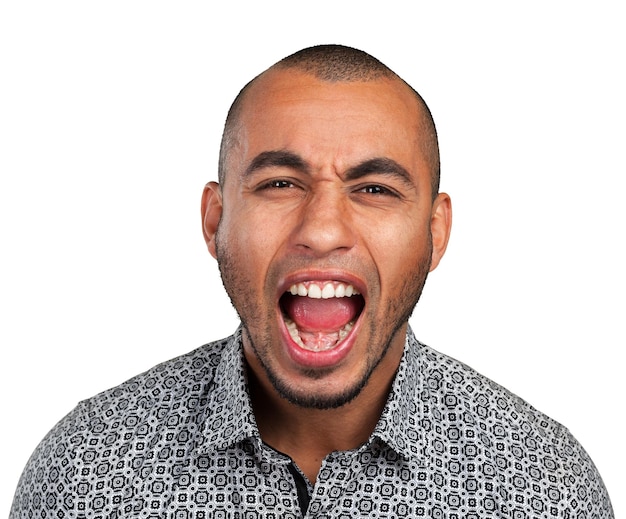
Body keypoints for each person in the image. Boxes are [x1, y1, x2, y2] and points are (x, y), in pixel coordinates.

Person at [10, 44, 613, 518]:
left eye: (374, 189)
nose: (322, 231)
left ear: (436, 233)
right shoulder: (81, 473)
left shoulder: (545, 488)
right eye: (280, 184)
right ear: (215, 221)